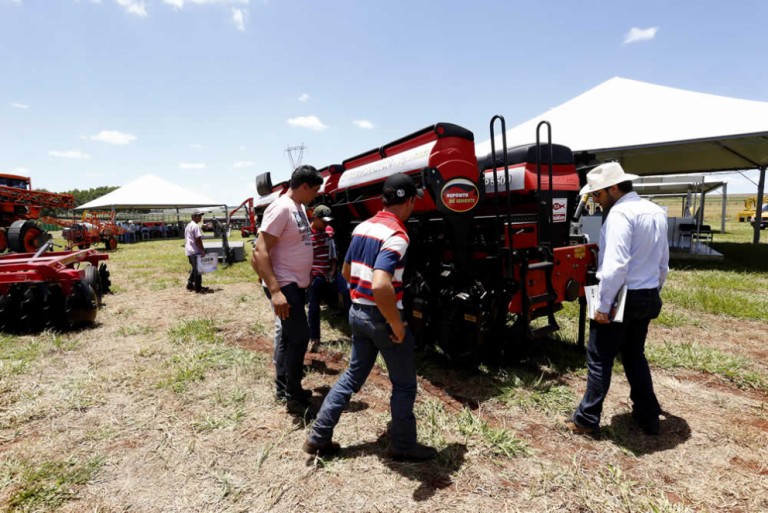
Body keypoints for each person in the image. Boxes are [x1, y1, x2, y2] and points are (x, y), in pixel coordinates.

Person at [303, 173, 437, 461]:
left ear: (384, 199)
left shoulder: (363, 227)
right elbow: (380, 282)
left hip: (357, 313)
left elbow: (348, 272)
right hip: (381, 316)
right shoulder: (397, 236)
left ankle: (318, 435)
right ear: (411, 201)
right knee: (403, 384)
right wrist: (396, 323)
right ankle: (403, 445)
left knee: (351, 376)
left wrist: (359, 300)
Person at [567, 162, 669, 438]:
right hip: (647, 294)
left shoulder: (619, 215)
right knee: (635, 355)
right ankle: (648, 416)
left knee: (600, 358)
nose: (597, 201)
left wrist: (603, 306)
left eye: (598, 194)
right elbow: (663, 263)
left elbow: (615, 266)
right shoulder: (655, 211)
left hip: (621, 295)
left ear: (613, 188)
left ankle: (587, 419)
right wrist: (653, 290)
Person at [251, 165, 323, 415]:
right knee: (300, 337)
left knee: (291, 338)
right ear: (304, 186)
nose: (315, 194)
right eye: (314, 190)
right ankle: (293, 397)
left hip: (296, 284)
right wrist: (275, 291)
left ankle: (288, 388)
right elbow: (259, 251)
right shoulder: (281, 208)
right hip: (284, 285)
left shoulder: (299, 208)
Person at [307, 204, 337, 353]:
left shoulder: (329, 231)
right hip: (315, 274)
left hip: (329, 273)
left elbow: (333, 252)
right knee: (314, 306)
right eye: (323, 221)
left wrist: (333, 269)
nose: (326, 224)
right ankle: (315, 338)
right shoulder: (306, 234)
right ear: (315, 218)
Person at [184, 211, 210, 293]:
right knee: (198, 270)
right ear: (193, 217)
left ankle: (190, 284)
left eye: (201, 216)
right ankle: (198, 288)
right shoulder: (195, 226)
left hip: (189, 250)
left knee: (194, 269)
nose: (200, 217)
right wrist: (202, 251)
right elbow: (198, 240)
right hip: (195, 250)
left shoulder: (188, 225)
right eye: (199, 216)